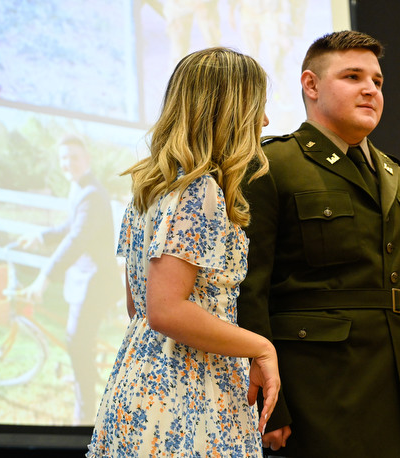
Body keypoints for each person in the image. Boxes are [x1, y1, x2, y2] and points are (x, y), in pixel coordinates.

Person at [238, 30, 400, 457]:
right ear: (311, 85)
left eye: (377, 81)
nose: (370, 90)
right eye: (353, 77)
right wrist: (273, 407)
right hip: (322, 393)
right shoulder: (273, 166)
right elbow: (250, 291)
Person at [87, 47, 280, 456]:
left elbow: (136, 305)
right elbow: (166, 310)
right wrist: (262, 346)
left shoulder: (151, 187)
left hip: (144, 380)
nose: (265, 122)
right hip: (188, 394)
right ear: (231, 111)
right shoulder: (199, 189)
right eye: (259, 108)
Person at [18, 134, 120, 425]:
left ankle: (85, 413)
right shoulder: (78, 188)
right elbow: (69, 226)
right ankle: (84, 380)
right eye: (63, 158)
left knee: (77, 342)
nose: (67, 163)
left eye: (73, 157)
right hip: (84, 278)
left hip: (96, 282)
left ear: (86, 160)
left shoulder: (91, 194)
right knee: (81, 342)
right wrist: (41, 236)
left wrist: (43, 278)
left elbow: (76, 239)